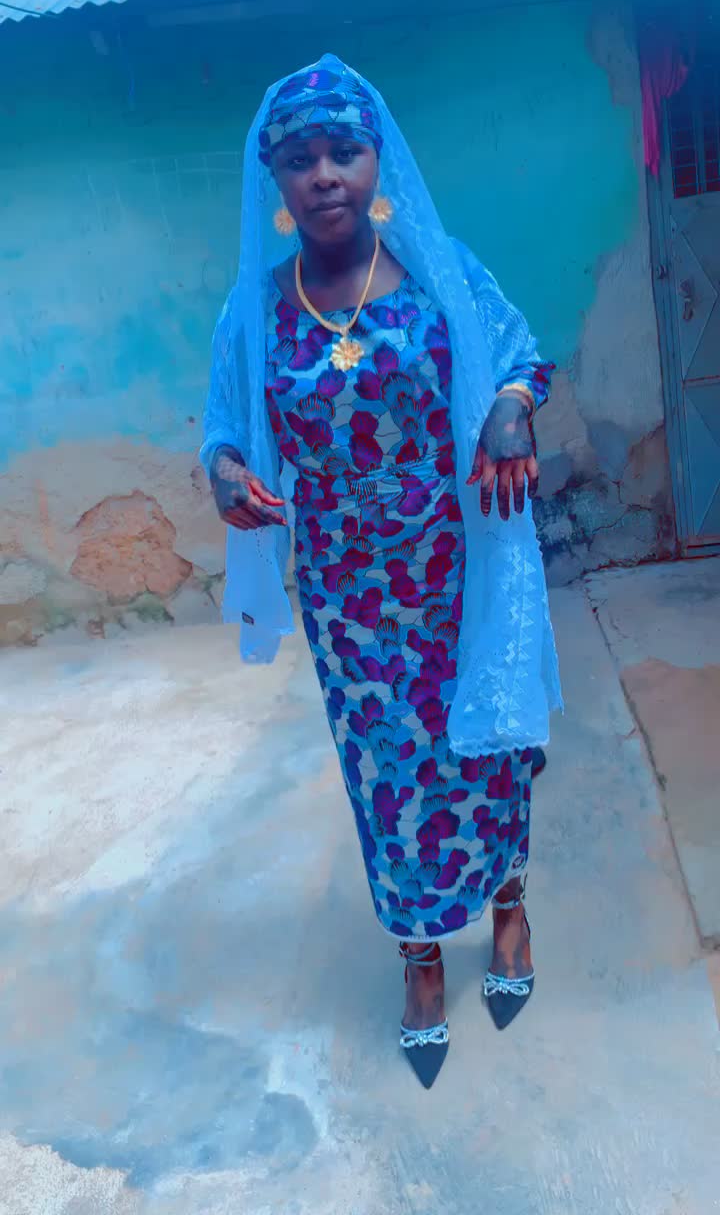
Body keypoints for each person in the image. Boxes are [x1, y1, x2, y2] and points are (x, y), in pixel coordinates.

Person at [201, 56, 562, 1088]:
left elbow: (521, 356)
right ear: (275, 180)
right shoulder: (255, 312)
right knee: (385, 774)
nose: (324, 174)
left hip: (457, 568)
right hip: (348, 601)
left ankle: (509, 910)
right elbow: (225, 432)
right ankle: (419, 960)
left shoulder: (439, 269)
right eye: (300, 158)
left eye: (342, 151)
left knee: (487, 747)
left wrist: (509, 410)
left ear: (376, 162)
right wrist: (226, 476)